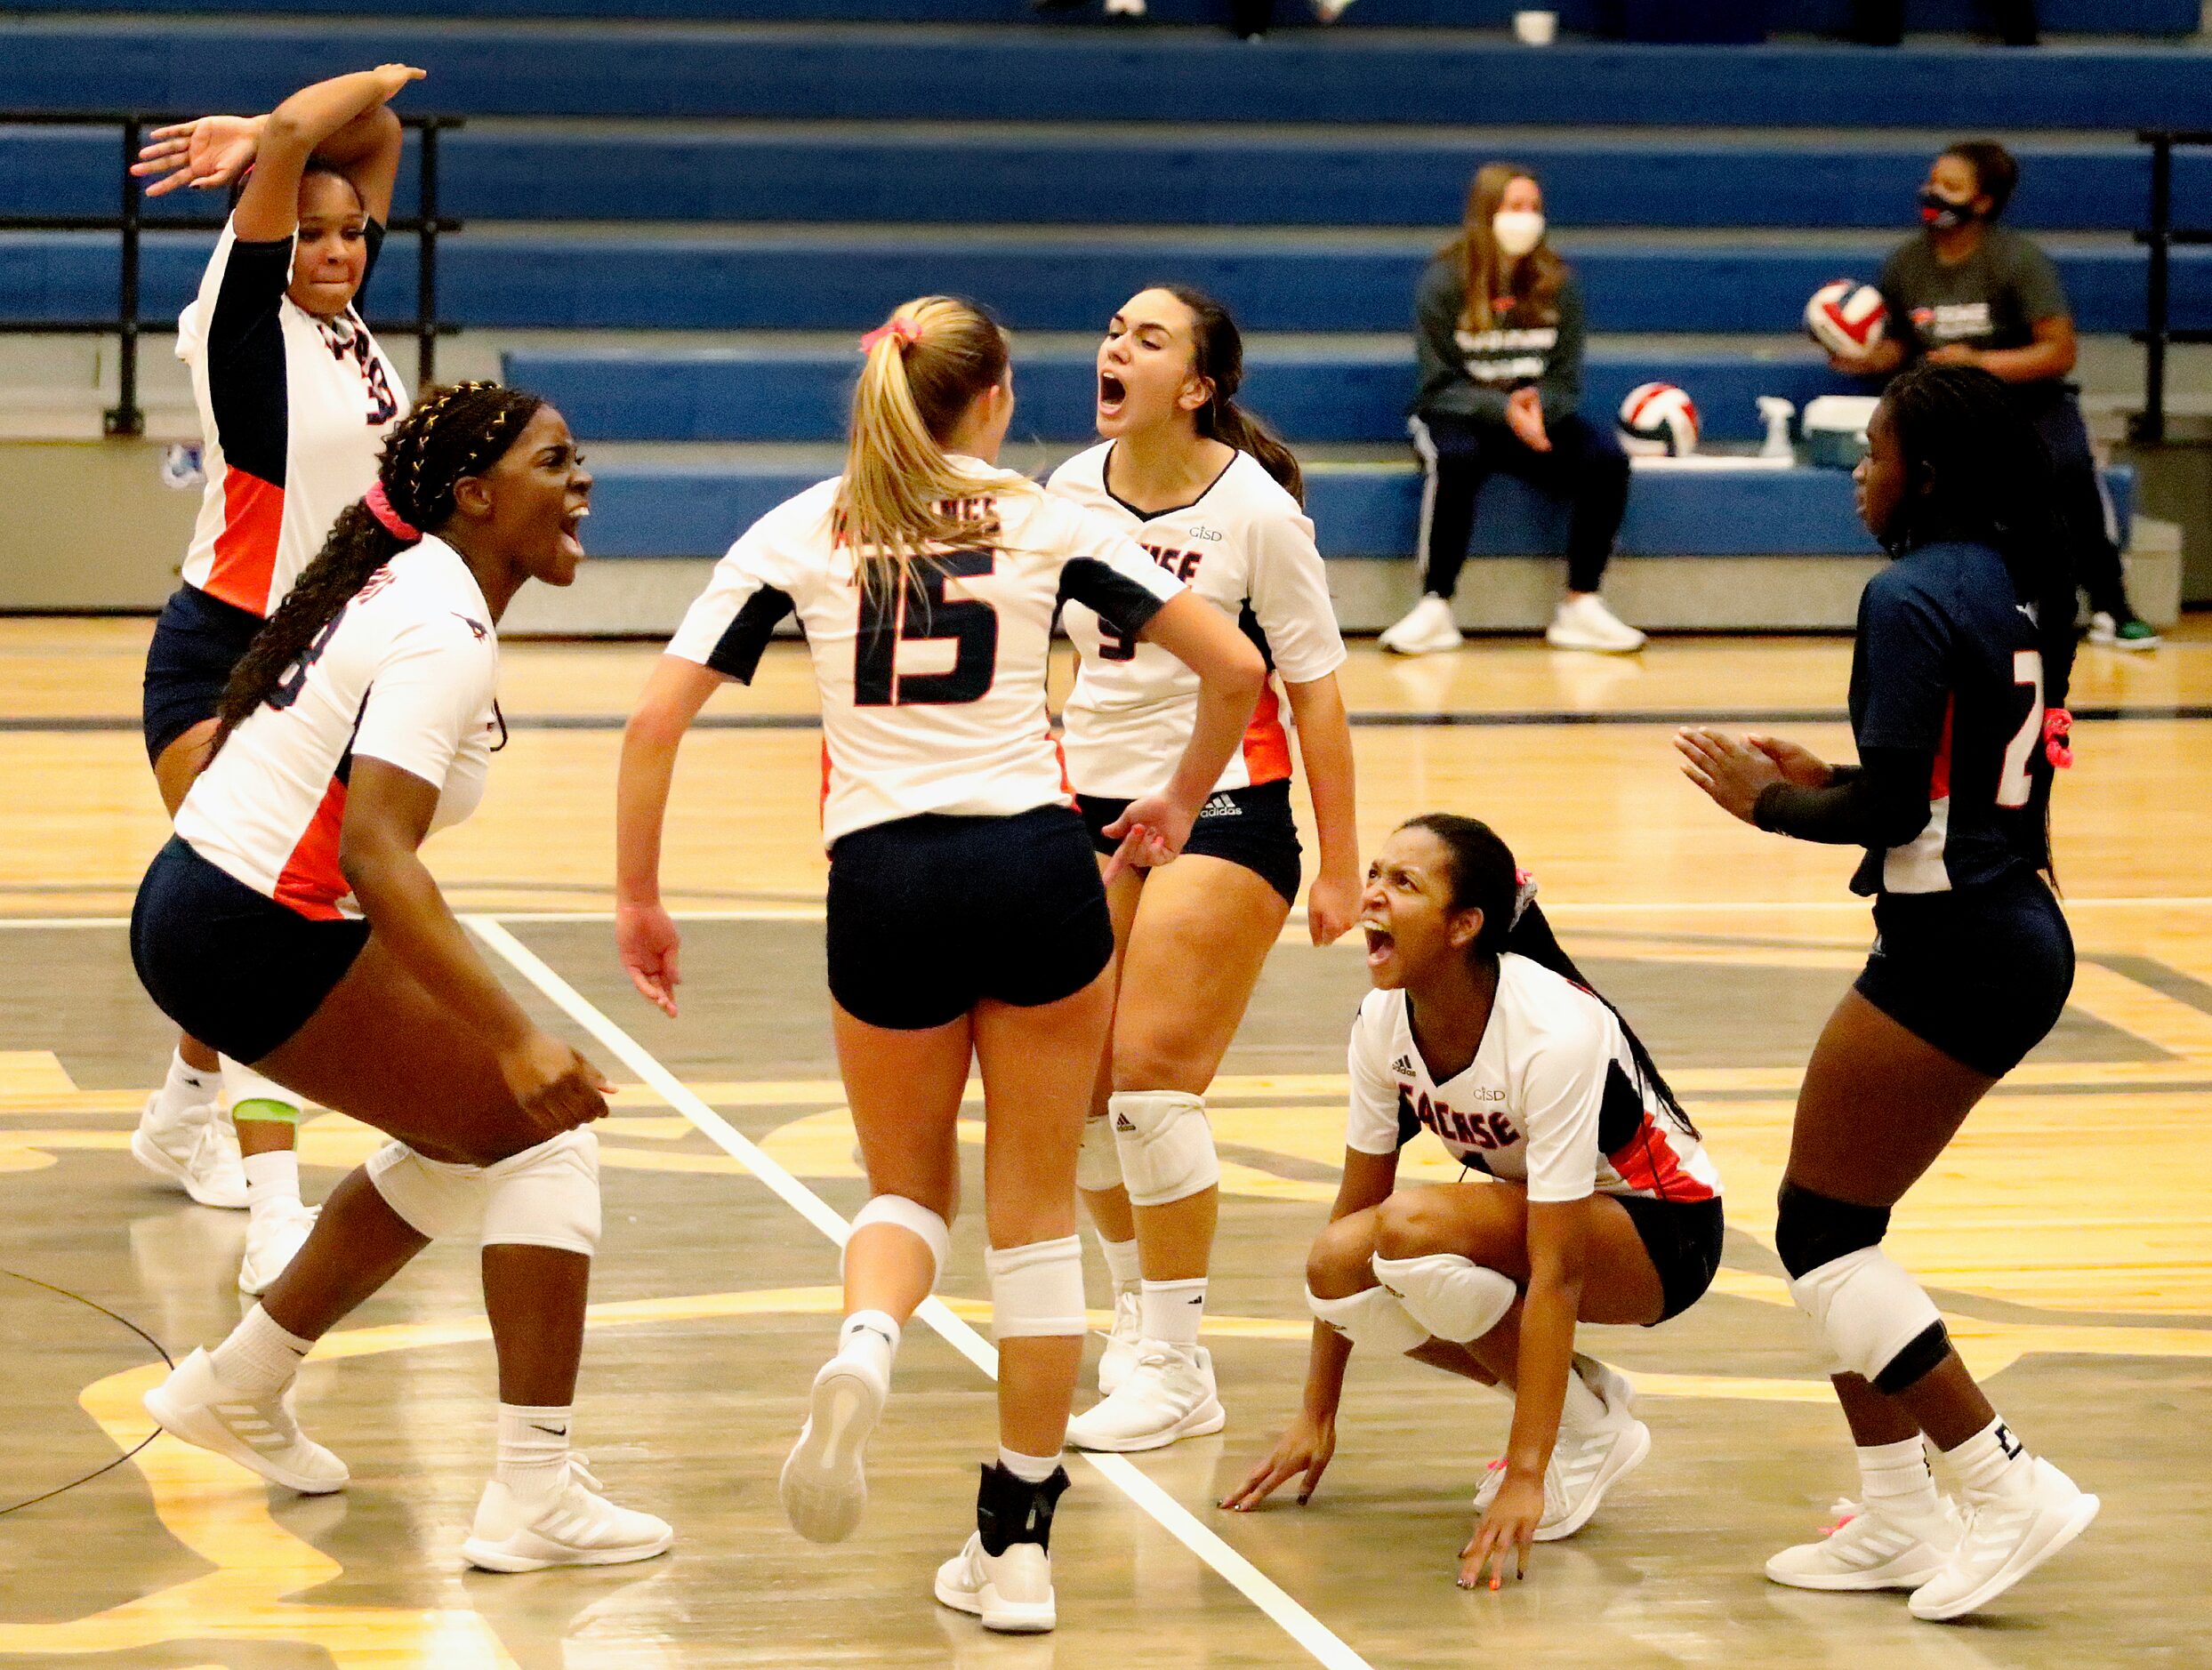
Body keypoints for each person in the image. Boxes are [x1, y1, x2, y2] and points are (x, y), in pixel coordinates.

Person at [615, 296, 1265, 1634]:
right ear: (994, 397)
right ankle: (1014, 1545)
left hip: (885, 880)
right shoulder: (1050, 518)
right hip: (1034, 869)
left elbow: (651, 721)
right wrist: (1178, 803)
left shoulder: (799, 526)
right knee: (1031, 1216)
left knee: (906, 1190)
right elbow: (1236, 667)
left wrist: (639, 897)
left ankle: (865, 1344)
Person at [134, 381, 673, 1576]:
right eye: (553, 458)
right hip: (246, 922)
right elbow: (378, 854)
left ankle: (243, 1380)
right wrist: (516, 1034)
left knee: (461, 1142)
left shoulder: (420, 585)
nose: (580, 477)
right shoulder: (442, 621)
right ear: (475, 496)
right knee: (544, 1135)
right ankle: (534, 1493)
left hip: (208, 905)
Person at [1676, 363, 2098, 1621]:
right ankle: (1899, 1515)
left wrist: (1773, 802)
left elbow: (1896, 804)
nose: (1858, 470)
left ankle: (1997, 1482)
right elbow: (1957, 777)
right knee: (1829, 1225)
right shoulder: (2018, 584)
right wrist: (1836, 777)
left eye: (1872, 450)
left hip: (1960, 940)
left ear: (1927, 469)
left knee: (1819, 1233)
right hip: (1998, 921)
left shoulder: (1905, 590)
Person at [1220, 815, 1722, 1589]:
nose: (1372, 898)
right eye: (1375, 875)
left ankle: (1576, 1439)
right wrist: (1317, 1414)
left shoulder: (1553, 1029)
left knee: (1413, 1230)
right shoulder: (1382, 1021)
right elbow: (1351, 1215)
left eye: (1403, 883)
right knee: (1336, 1267)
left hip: (1665, 1231)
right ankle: (1589, 1412)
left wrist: (1528, 1469)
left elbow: (1557, 1271)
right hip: (1541, 1218)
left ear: (1464, 926)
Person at [1045, 285, 1359, 1454]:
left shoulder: (1257, 515)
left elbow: (1316, 689)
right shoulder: (1068, 492)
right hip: (1083, 804)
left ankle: (1177, 1366)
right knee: (1068, 1090)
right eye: (1111, 326)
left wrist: (1338, 863)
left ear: (1196, 387)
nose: (1114, 344)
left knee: (1147, 1077)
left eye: (1146, 336)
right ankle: (1139, 1311)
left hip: (1226, 801)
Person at [127, 65, 422, 1294]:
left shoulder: (352, 327)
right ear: (269, 232)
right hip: (222, 657)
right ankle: (273, 1206)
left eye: (354, 233)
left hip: (333, 661)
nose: (342, 250)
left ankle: (182, 1105)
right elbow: (324, 124)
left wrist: (350, 123)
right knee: (253, 918)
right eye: (313, 230)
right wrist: (275, 129)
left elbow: (376, 137)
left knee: (246, 899)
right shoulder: (242, 317)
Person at [1830, 141, 2158, 649]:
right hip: (1948, 409)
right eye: (1933, 180)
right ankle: (1936, 605)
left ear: (1982, 201)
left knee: (2070, 469)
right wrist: (1864, 358)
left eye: (1951, 186)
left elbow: (2058, 351)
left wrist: (1979, 362)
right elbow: (1898, 345)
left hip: (2028, 403)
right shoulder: (1905, 263)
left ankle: (2113, 604)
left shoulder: (2018, 261)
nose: (1934, 192)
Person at [1383, 163, 1644, 658]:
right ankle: (1436, 604)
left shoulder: (1559, 284)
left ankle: (1582, 603)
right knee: (1454, 460)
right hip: (1458, 413)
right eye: (1515, 208)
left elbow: (1566, 378)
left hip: (1534, 419)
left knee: (1606, 459)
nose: (1528, 218)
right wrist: (1504, 410)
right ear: (1486, 214)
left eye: (1535, 209)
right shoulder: (1443, 282)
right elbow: (1436, 384)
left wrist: (1538, 405)